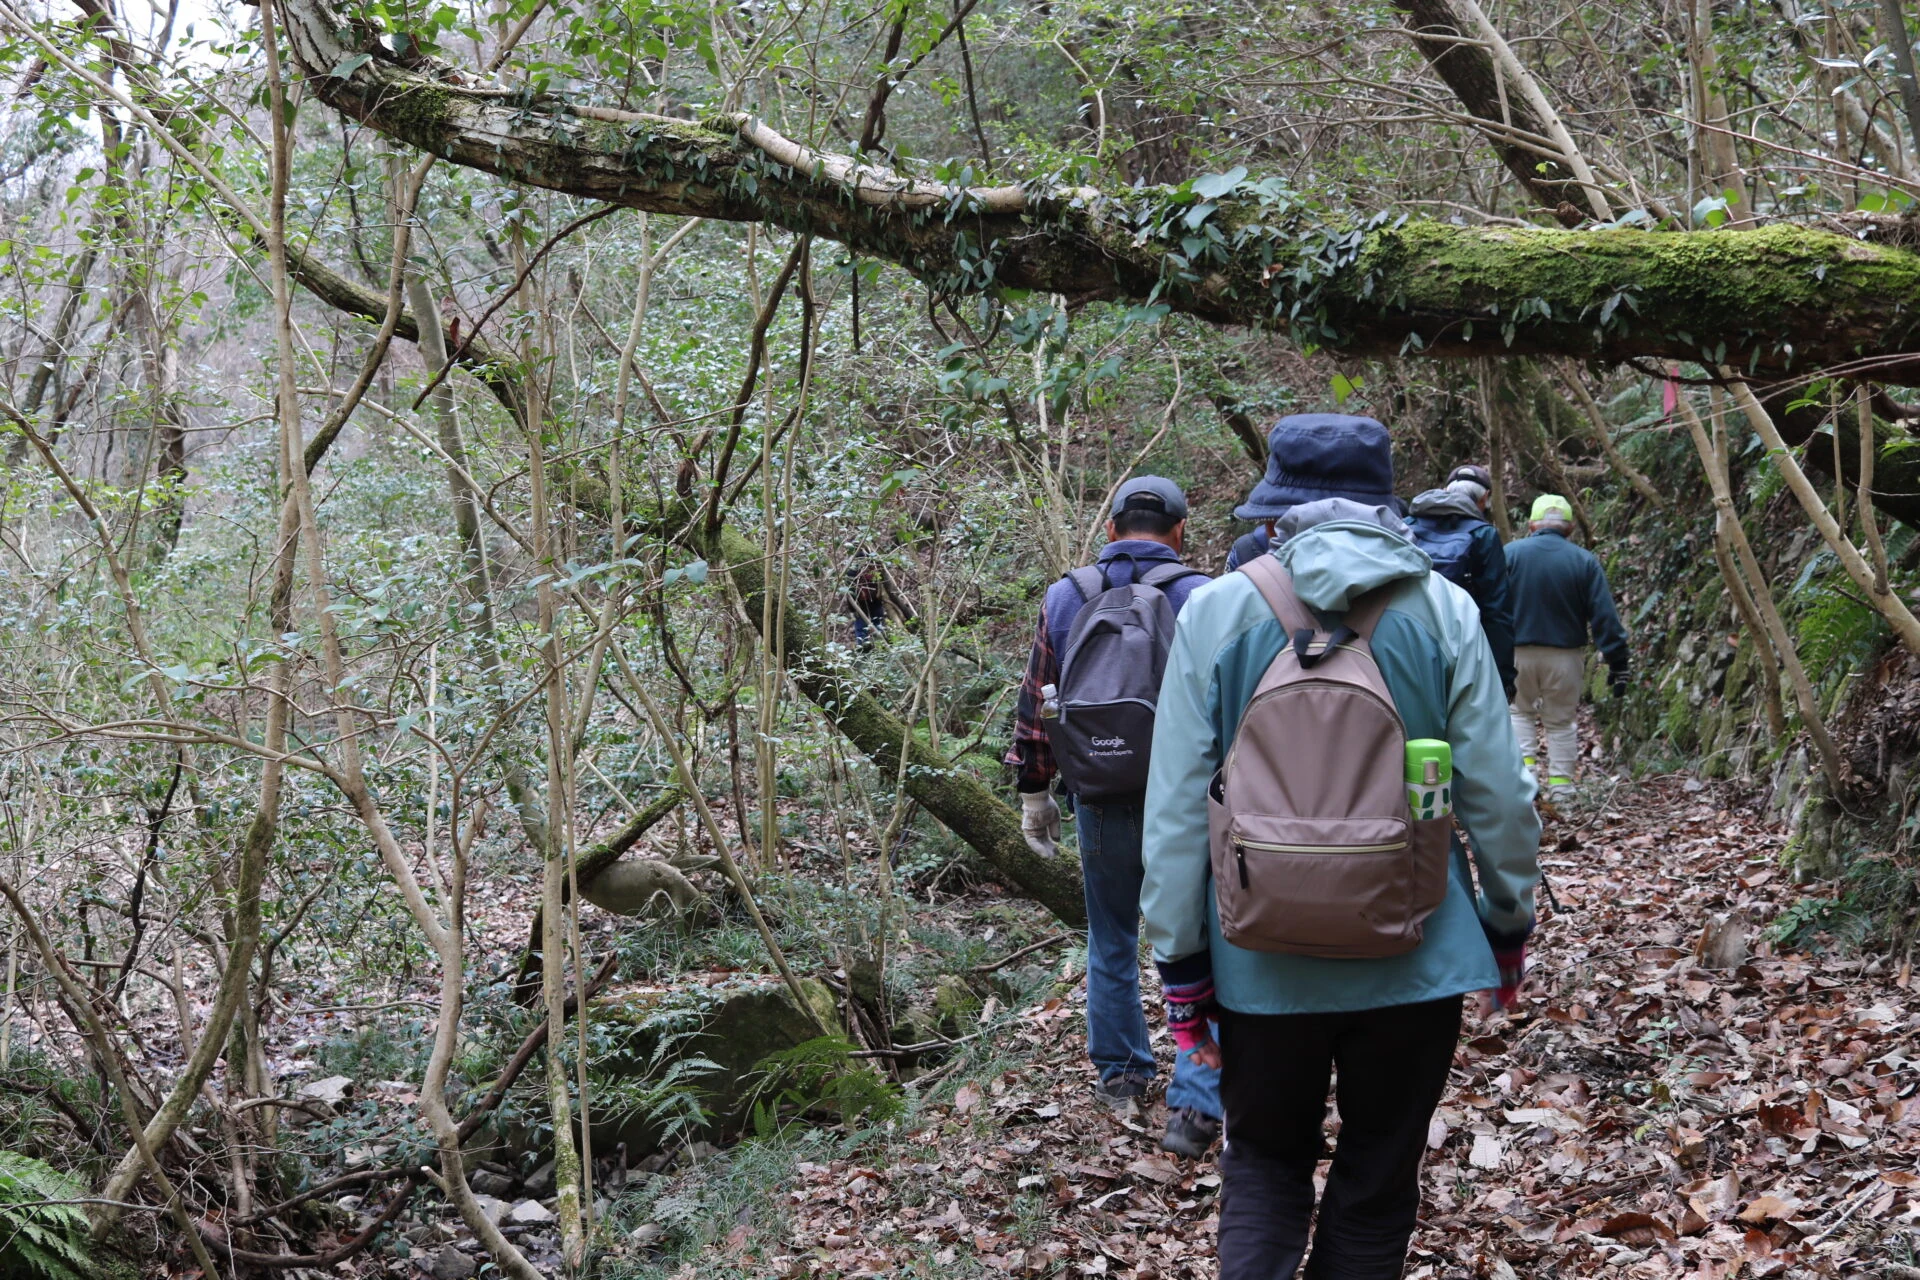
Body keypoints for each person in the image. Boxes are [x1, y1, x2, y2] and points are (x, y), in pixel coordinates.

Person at [1140, 414, 1541, 1280]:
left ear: (1277, 507)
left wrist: (1181, 964)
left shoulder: (1217, 609)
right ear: (1385, 505)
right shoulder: (1443, 609)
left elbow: (1174, 805)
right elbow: (1498, 794)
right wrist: (1506, 923)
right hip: (1416, 948)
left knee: (1264, 1162)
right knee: (1376, 1177)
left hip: (1257, 956)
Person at [1005, 476, 1225, 1158]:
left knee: (1110, 939)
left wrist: (1034, 793)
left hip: (1098, 792)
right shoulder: (1207, 597)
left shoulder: (1067, 595)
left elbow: (1038, 700)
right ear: (1181, 530)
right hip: (1187, 796)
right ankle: (1198, 1081)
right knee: (1200, 941)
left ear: (1110, 529)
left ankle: (1122, 1075)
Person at [1504, 493, 1630, 798]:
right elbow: (1604, 617)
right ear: (1570, 527)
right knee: (1560, 723)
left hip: (1516, 653)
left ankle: (1526, 788)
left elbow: (1492, 606)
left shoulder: (1510, 554)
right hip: (1565, 656)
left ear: (1531, 525)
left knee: (1519, 715)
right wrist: (1618, 662)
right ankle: (1562, 795)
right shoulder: (1584, 561)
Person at [1407, 463, 1518, 698]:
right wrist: (1503, 676)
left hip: (1409, 643)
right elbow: (1496, 609)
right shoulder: (1483, 535)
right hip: (1466, 650)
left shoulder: (1406, 527)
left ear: (1445, 490)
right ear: (1484, 499)